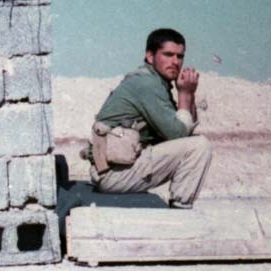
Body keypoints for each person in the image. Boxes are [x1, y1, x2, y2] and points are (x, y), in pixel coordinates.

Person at [89, 28, 213, 207]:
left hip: (117, 171)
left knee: (195, 143)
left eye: (180, 56)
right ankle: (181, 208)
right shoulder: (146, 84)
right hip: (113, 175)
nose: (175, 62)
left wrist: (189, 94)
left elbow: (182, 132)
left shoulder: (156, 83)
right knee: (200, 146)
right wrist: (185, 94)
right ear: (150, 56)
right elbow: (177, 134)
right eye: (168, 55)